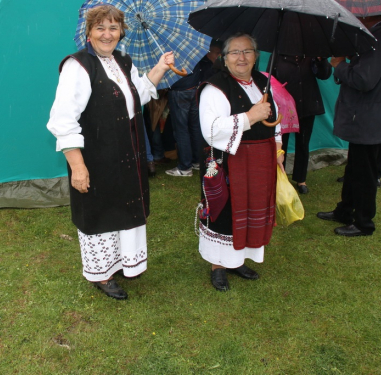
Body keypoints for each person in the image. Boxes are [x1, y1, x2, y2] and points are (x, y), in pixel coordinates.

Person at [47, 4, 174, 300]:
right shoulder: (77, 66)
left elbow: (135, 97)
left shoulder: (123, 61)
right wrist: (78, 166)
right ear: (88, 32)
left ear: (121, 32)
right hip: (96, 157)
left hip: (125, 156)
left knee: (123, 208)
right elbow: (62, 120)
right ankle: (101, 274)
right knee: (100, 213)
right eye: (100, 28)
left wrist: (160, 67)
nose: (107, 34)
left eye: (113, 28)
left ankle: (121, 263)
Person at [197, 33, 284, 292]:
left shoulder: (262, 82)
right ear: (224, 58)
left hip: (259, 162)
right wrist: (249, 117)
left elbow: (274, 116)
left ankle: (237, 260)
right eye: (234, 52)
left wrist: (277, 143)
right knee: (226, 210)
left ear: (256, 56)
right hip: (228, 162)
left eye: (247, 51)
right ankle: (218, 265)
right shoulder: (214, 88)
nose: (242, 57)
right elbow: (210, 129)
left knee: (250, 210)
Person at [317, 16, 381, 237]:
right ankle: (344, 211)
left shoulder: (377, 38)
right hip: (363, 119)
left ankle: (364, 223)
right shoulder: (369, 36)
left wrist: (340, 65)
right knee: (354, 169)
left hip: (368, 119)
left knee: (365, 174)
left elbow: (364, 79)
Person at [269, 54, 332, 194]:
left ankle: (301, 179)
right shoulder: (278, 54)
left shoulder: (312, 54)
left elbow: (324, 74)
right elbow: (269, 78)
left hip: (307, 105)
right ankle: (281, 178)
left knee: (303, 143)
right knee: (281, 143)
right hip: (283, 107)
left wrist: (321, 61)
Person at [165, 39, 222, 177]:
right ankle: (197, 161)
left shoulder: (171, 48)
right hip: (195, 89)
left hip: (181, 90)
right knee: (195, 127)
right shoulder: (193, 44)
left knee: (181, 129)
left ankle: (185, 167)